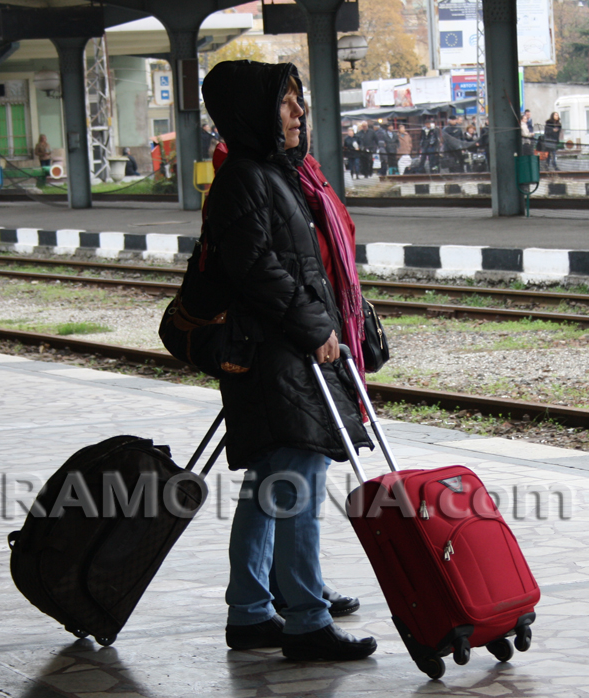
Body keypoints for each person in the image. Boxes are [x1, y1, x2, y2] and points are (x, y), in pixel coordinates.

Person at [201, 59, 377, 661]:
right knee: (298, 482)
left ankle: (251, 610)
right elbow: (258, 272)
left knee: (271, 483)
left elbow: (302, 266)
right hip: (280, 354)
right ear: (254, 112)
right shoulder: (246, 180)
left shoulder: (271, 174)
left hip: (283, 352)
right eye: (287, 102)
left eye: (298, 101)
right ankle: (305, 620)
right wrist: (314, 328)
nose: (299, 112)